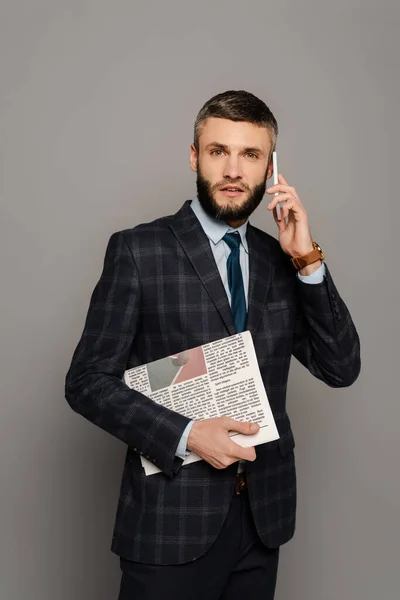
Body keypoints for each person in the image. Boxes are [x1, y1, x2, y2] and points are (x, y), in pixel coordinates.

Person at [65, 90, 360, 599]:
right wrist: (186, 435)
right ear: (194, 156)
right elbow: (87, 382)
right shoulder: (139, 251)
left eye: (251, 155)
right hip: (169, 523)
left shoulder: (280, 259)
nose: (232, 169)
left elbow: (341, 366)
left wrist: (308, 259)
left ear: (271, 169)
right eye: (218, 151)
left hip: (261, 521)